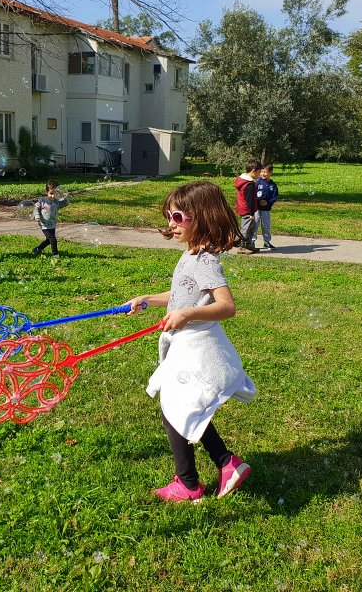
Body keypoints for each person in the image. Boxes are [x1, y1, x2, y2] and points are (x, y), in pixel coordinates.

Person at [126, 181, 257, 503]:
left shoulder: (205, 261)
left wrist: (186, 315)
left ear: (201, 216)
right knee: (186, 408)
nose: (171, 224)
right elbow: (183, 294)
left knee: (176, 409)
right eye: (169, 216)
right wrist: (150, 299)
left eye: (177, 217)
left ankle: (188, 483)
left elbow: (226, 306)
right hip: (186, 343)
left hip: (197, 346)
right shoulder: (192, 255)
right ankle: (228, 463)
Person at [32, 180, 70, 258]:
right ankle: (55, 255)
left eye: (55, 194)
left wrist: (63, 196)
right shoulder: (43, 200)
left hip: (52, 224)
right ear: (47, 192)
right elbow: (36, 207)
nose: (53, 196)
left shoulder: (56, 202)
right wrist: (37, 216)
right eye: (51, 193)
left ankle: (37, 249)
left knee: (49, 240)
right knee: (53, 240)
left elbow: (66, 203)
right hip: (44, 224)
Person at [233, 160, 261, 254]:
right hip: (247, 210)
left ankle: (249, 245)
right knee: (246, 228)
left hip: (243, 208)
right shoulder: (249, 184)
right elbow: (249, 200)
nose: (260, 174)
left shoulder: (243, 181)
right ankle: (242, 247)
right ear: (253, 171)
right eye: (259, 172)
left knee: (250, 227)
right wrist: (251, 213)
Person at [254, 163, 279, 249]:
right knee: (254, 224)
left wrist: (267, 203)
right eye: (261, 172)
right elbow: (253, 195)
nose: (263, 174)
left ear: (270, 172)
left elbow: (275, 197)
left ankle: (267, 242)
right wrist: (257, 202)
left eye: (265, 172)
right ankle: (252, 242)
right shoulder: (257, 183)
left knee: (266, 226)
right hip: (256, 209)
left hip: (266, 209)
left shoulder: (273, 185)